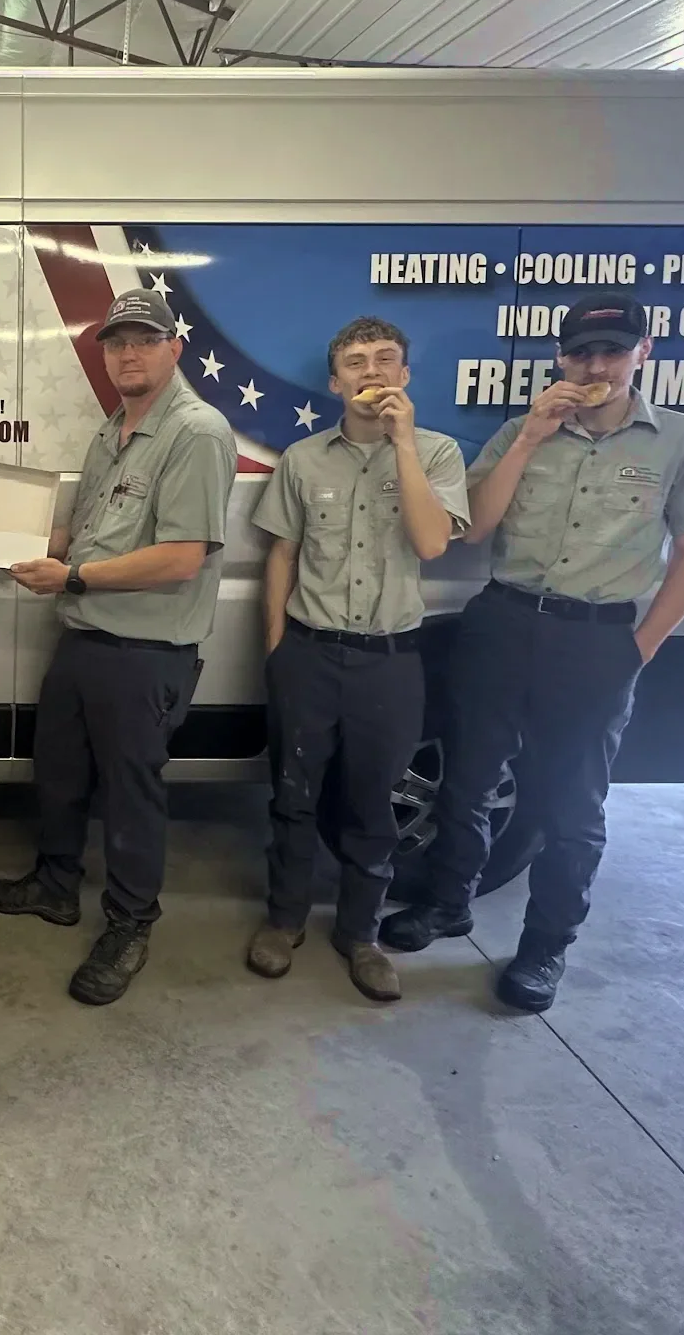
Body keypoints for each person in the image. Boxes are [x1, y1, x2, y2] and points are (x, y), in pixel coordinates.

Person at [380, 292, 684, 1011]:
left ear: (643, 354)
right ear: (560, 357)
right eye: (582, 352)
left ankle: (544, 949)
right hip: (503, 622)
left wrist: (638, 649)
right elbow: (475, 527)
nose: (596, 367)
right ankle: (447, 903)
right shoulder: (523, 431)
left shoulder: (681, 441)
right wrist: (528, 439)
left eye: (613, 352)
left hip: (595, 639)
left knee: (570, 806)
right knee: (468, 780)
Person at [0, 287, 236, 1005]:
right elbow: (84, 529)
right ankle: (56, 886)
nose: (128, 354)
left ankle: (130, 924)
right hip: (86, 637)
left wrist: (71, 577)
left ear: (174, 348)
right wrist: (8, 540)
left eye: (144, 340)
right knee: (59, 773)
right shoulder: (113, 429)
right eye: (117, 343)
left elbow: (181, 557)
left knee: (130, 797)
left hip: (145, 653)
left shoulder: (197, 433)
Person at [248, 317, 469, 1002]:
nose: (370, 371)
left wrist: (402, 443)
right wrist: (277, 650)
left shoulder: (436, 454)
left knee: (374, 804)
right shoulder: (303, 459)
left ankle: (360, 935)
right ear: (334, 382)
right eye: (355, 362)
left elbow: (432, 544)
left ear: (404, 375)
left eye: (384, 359)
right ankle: (284, 921)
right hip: (309, 654)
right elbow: (281, 555)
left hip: (389, 662)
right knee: (293, 797)